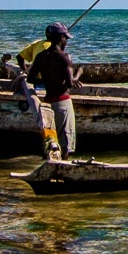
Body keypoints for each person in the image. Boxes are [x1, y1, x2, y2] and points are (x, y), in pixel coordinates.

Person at [26, 21, 81, 158]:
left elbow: (30, 79)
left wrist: (46, 81)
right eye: (66, 38)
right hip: (63, 103)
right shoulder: (65, 57)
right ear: (61, 38)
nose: (67, 41)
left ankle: (49, 164)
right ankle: (63, 168)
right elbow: (69, 83)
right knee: (65, 144)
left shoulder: (41, 57)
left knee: (50, 140)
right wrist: (78, 74)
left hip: (48, 102)